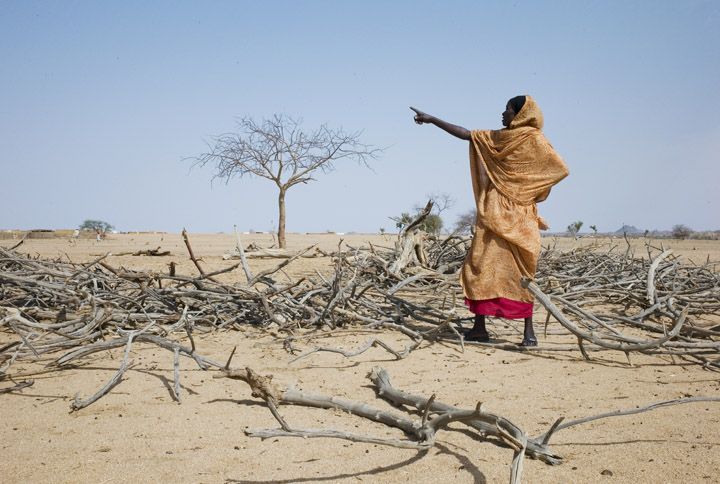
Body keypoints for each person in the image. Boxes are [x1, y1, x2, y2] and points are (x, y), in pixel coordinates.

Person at [411, 96, 568, 346]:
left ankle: (526, 331)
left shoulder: (532, 139)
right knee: (484, 267)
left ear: (520, 114)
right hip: (504, 214)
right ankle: (480, 328)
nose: (502, 114)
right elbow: (468, 134)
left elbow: (559, 169)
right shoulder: (502, 137)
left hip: (509, 212)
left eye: (507, 110)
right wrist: (433, 120)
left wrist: (526, 189)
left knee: (518, 271)